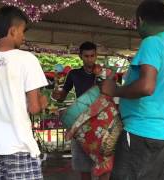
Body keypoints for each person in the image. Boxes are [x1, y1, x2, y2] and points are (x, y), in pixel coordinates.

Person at [100, 1, 164, 180]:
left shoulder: (151, 42)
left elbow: (146, 86)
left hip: (140, 131)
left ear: (140, 20)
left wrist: (115, 90)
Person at [0, 6, 48, 180]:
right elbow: (34, 108)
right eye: (22, 31)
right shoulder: (28, 60)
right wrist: (43, 101)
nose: (23, 36)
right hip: (19, 145)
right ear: (12, 31)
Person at [52, 41, 109, 180]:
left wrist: (100, 76)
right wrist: (57, 95)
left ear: (96, 55)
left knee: (104, 165)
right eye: (86, 56)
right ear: (80, 56)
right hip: (80, 122)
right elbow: (62, 96)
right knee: (83, 166)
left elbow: (108, 94)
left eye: (92, 56)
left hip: (101, 122)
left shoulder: (104, 72)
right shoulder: (73, 74)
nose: (90, 59)